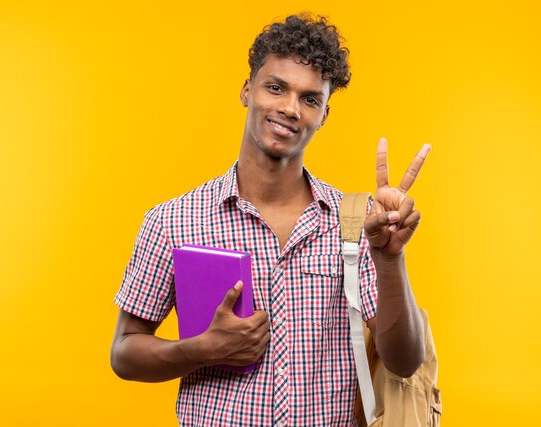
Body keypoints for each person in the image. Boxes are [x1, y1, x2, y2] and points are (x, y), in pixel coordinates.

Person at [111, 13, 430, 426]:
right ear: (247, 90)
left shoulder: (358, 221)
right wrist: (201, 349)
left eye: (310, 98)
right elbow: (125, 352)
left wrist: (389, 259)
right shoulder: (172, 220)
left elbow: (404, 362)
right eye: (276, 87)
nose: (289, 108)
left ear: (324, 115)